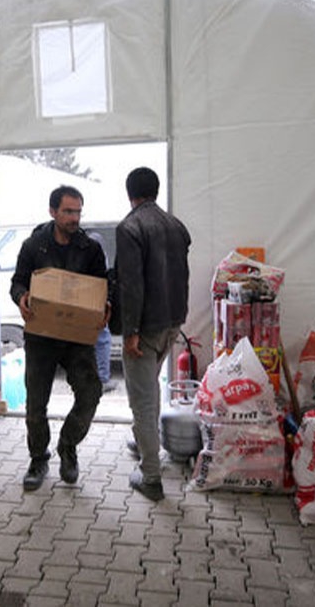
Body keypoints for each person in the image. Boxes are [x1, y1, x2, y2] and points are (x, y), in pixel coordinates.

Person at [10, 185, 110, 491]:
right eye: (68, 211)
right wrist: (22, 297)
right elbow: (17, 283)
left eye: (78, 211)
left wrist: (106, 305)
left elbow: (101, 287)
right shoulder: (33, 246)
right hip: (41, 336)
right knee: (36, 403)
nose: (74, 217)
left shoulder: (90, 249)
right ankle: (38, 458)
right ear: (53, 212)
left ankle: (68, 445)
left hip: (76, 338)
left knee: (91, 391)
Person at [114, 167, 191, 501]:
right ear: (155, 191)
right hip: (172, 322)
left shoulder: (130, 227)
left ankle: (151, 478)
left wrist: (129, 331)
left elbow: (131, 285)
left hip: (144, 329)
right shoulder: (176, 226)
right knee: (150, 388)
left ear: (130, 193)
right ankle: (143, 441)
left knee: (143, 400)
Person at [86, 230, 117, 393]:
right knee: (103, 339)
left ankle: (90, 379)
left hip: (83, 305)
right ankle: (103, 378)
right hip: (96, 303)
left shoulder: (82, 253)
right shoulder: (99, 255)